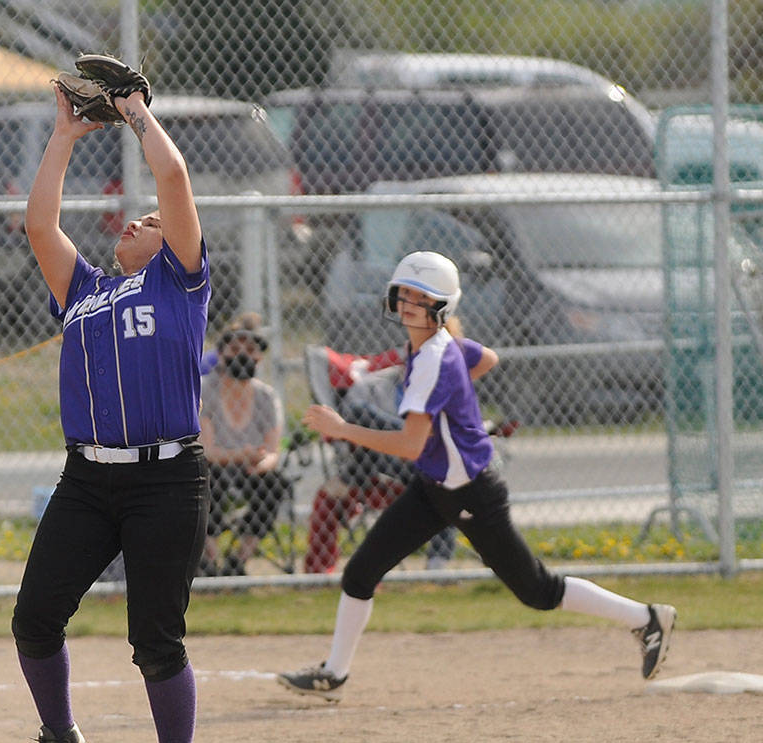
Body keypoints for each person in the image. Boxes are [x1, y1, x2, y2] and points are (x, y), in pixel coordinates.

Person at [277, 251, 676, 701]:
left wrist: (342, 429)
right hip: (434, 486)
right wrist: (455, 396)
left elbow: (409, 444)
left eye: (421, 297)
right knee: (361, 572)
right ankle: (335, 673)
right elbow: (487, 358)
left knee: (539, 590)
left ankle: (646, 619)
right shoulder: (433, 348)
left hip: (471, 490)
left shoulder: (432, 359)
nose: (408, 303)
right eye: (403, 292)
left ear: (442, 307)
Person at [12, 79, 209, 743]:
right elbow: (39, 226)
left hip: (167, 480)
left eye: (151, 222)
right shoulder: (87, 290)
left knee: (154, 638)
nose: (137, 221)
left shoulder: (181, 285)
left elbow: (174, 177)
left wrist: (134, 111)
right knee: (34, 618)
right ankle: (60, 733)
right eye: (132, 219)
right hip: (87, 479)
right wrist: (64, 134)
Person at [302, 347, 458, 575]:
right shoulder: (371, 386)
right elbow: (349, 431)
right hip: (378, 462)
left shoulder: (440, 391)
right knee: (359, 413)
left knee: (444, 483)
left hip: (419, 467)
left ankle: (437, 565)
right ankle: (319, 572)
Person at [200, 323, 287, 577]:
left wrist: (261, 462)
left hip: (250, 467)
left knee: (274, 484)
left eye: (250, 349)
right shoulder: (206, 389)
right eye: (234, 348)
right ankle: (209, 561)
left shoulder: (266, 396)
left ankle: (238, 560)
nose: (242, 355)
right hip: (215, 466)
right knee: (208, 479)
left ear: (259, 357)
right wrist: (241, 454)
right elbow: (207, 450)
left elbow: (273, 451)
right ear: (222, 353)